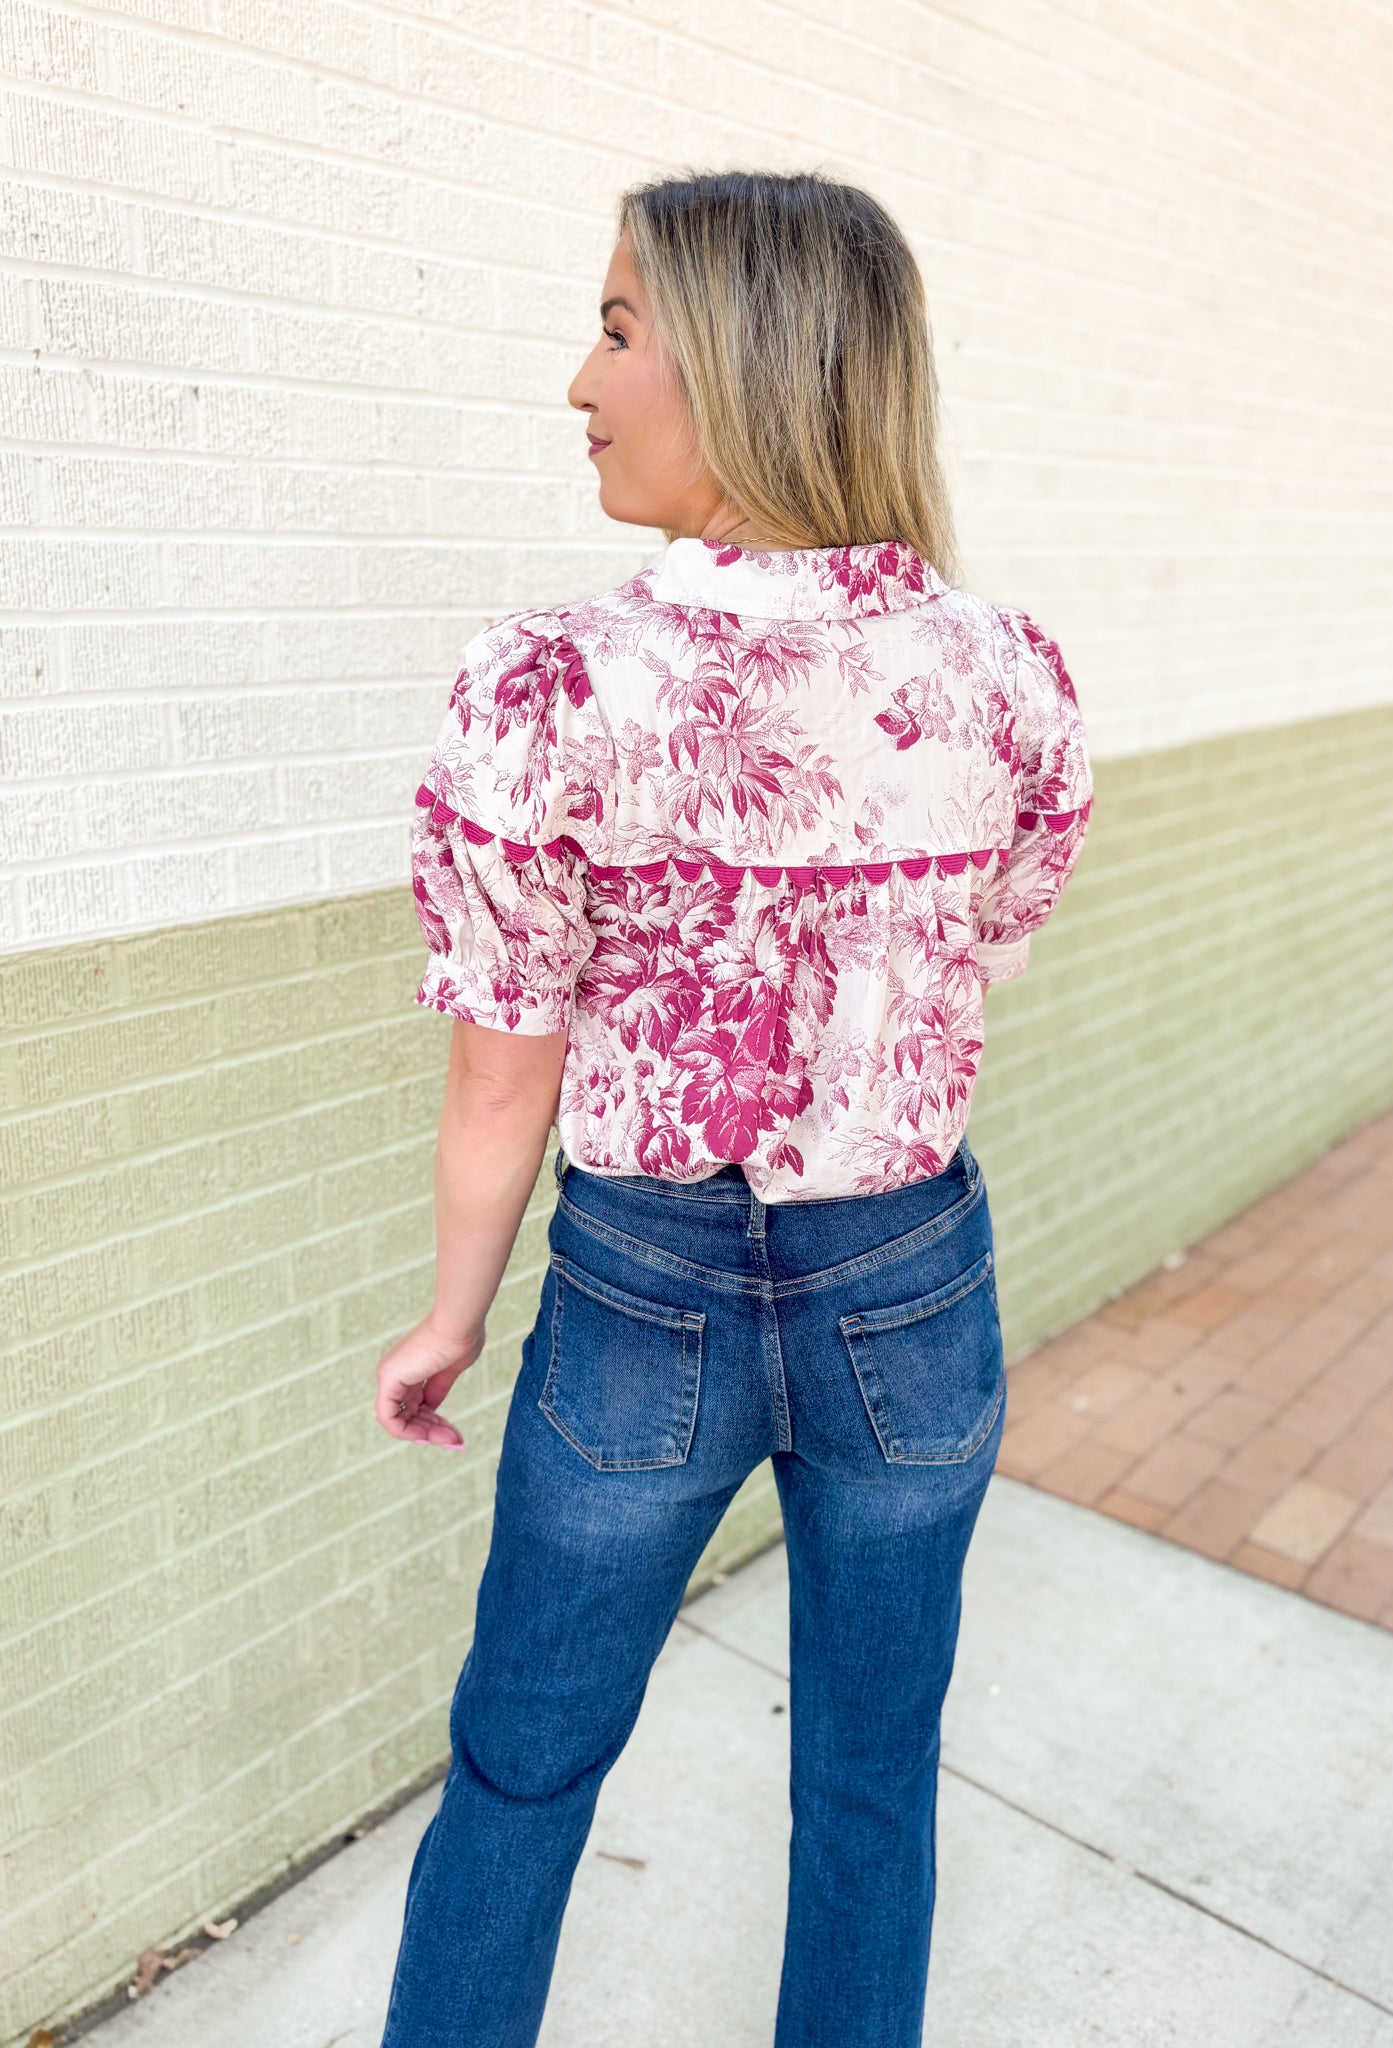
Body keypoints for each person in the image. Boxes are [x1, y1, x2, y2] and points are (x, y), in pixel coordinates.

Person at [374, 168, 1092, 2048]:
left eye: (615, 326)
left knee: (521, 1771)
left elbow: (500, 1053)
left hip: (639, 1294)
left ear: (750, 360)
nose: (577, 379)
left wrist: (451, 1318)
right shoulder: (1007, 676)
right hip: (911, 1289)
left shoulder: (547, 688)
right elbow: (989, 935)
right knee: (873, 1780)